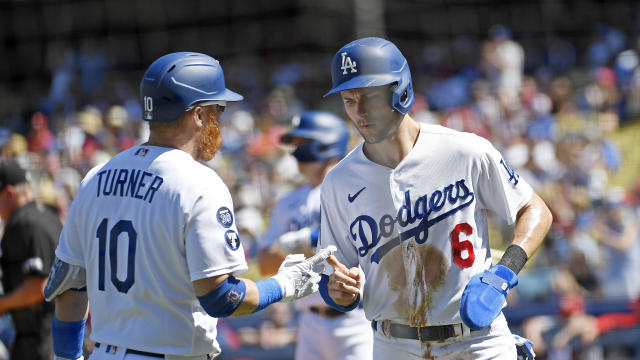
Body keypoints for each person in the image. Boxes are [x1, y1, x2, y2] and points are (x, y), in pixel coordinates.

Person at [43, 52, 334, 360]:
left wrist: (67, 358)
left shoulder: (95, 177)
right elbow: (224, 297)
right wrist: (284, 285)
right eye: (217, 110)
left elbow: (70, 287)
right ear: (198, 115)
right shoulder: (199, 184)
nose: (220, 122)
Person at [317, 37, 552, 359]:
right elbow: (335, 274)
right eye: (348, 100)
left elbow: (533, 208)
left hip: (477, 342)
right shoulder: (338, 182)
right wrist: (339, 291)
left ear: (400, 90)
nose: (359, 112)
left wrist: (505, 271)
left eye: (368, 98)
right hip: (393, 344)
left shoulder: (463, 150)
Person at [257, 111, 373, 360]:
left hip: (356, 319)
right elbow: (265, 263)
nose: (296, 151)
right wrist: (311, 247)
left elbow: (357, 241)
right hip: (309, 322)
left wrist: (306, 241)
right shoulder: (288, 202)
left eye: (303, 144)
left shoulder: (356, 191)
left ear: (324, 144)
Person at [0, 161, 61, 359]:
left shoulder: (24, 224)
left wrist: (3, 303)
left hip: (43, 340)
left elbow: (39, 287)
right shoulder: (49, 217)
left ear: (9, 194)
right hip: (60, 333)